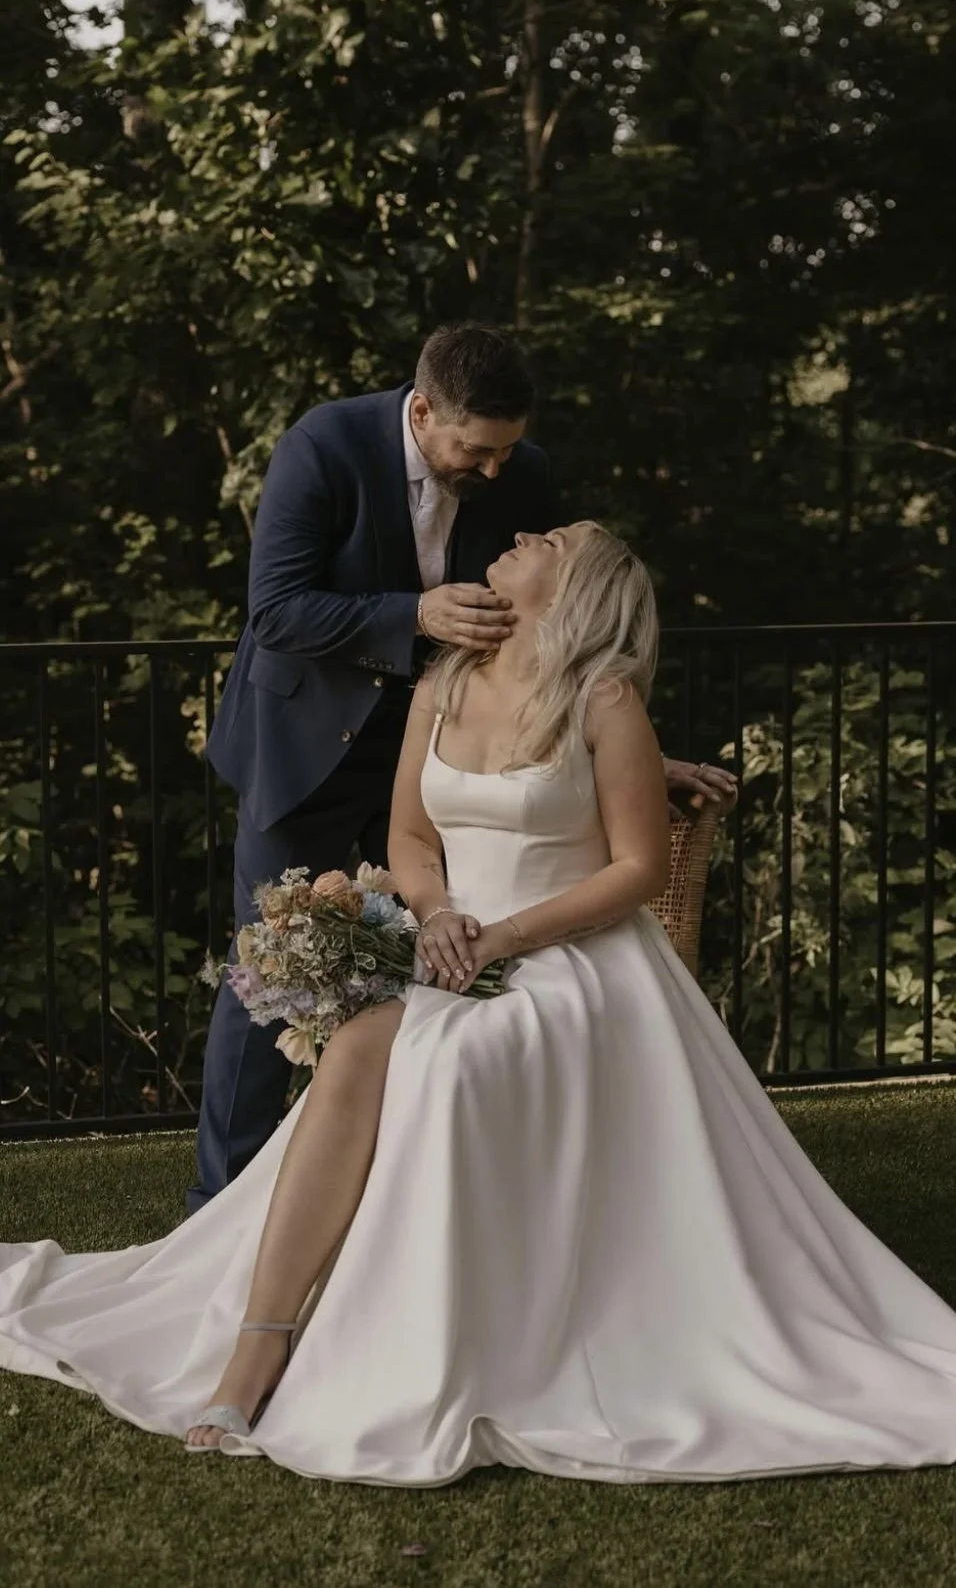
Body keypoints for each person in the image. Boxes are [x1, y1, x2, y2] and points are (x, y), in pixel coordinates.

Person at [2, 521, 956, 1486]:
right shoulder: (446, 680)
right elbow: (411, 833)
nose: (525, 532)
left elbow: (640, 868)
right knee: (357, 1049)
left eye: (555, 537)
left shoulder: (605, 698)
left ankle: (453, 1335)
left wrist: (504, 937)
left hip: (581, 964)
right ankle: (261, 1337)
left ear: (577, 583)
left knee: (452, 1062)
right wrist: (439, 911)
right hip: (454, 938)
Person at [191, 322, 736, 1215]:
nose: (496, 474)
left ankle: (401, 1197)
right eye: (477, 451)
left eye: (508, 452)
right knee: (271, 973)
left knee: (417, 972)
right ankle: (219, 1199)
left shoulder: (521, 471)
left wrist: (623, 756)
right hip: (307, 750)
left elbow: (558, 637)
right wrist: (414, 613)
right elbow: (276, 611)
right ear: (422, 410)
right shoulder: (322, 448)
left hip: (442, 764)